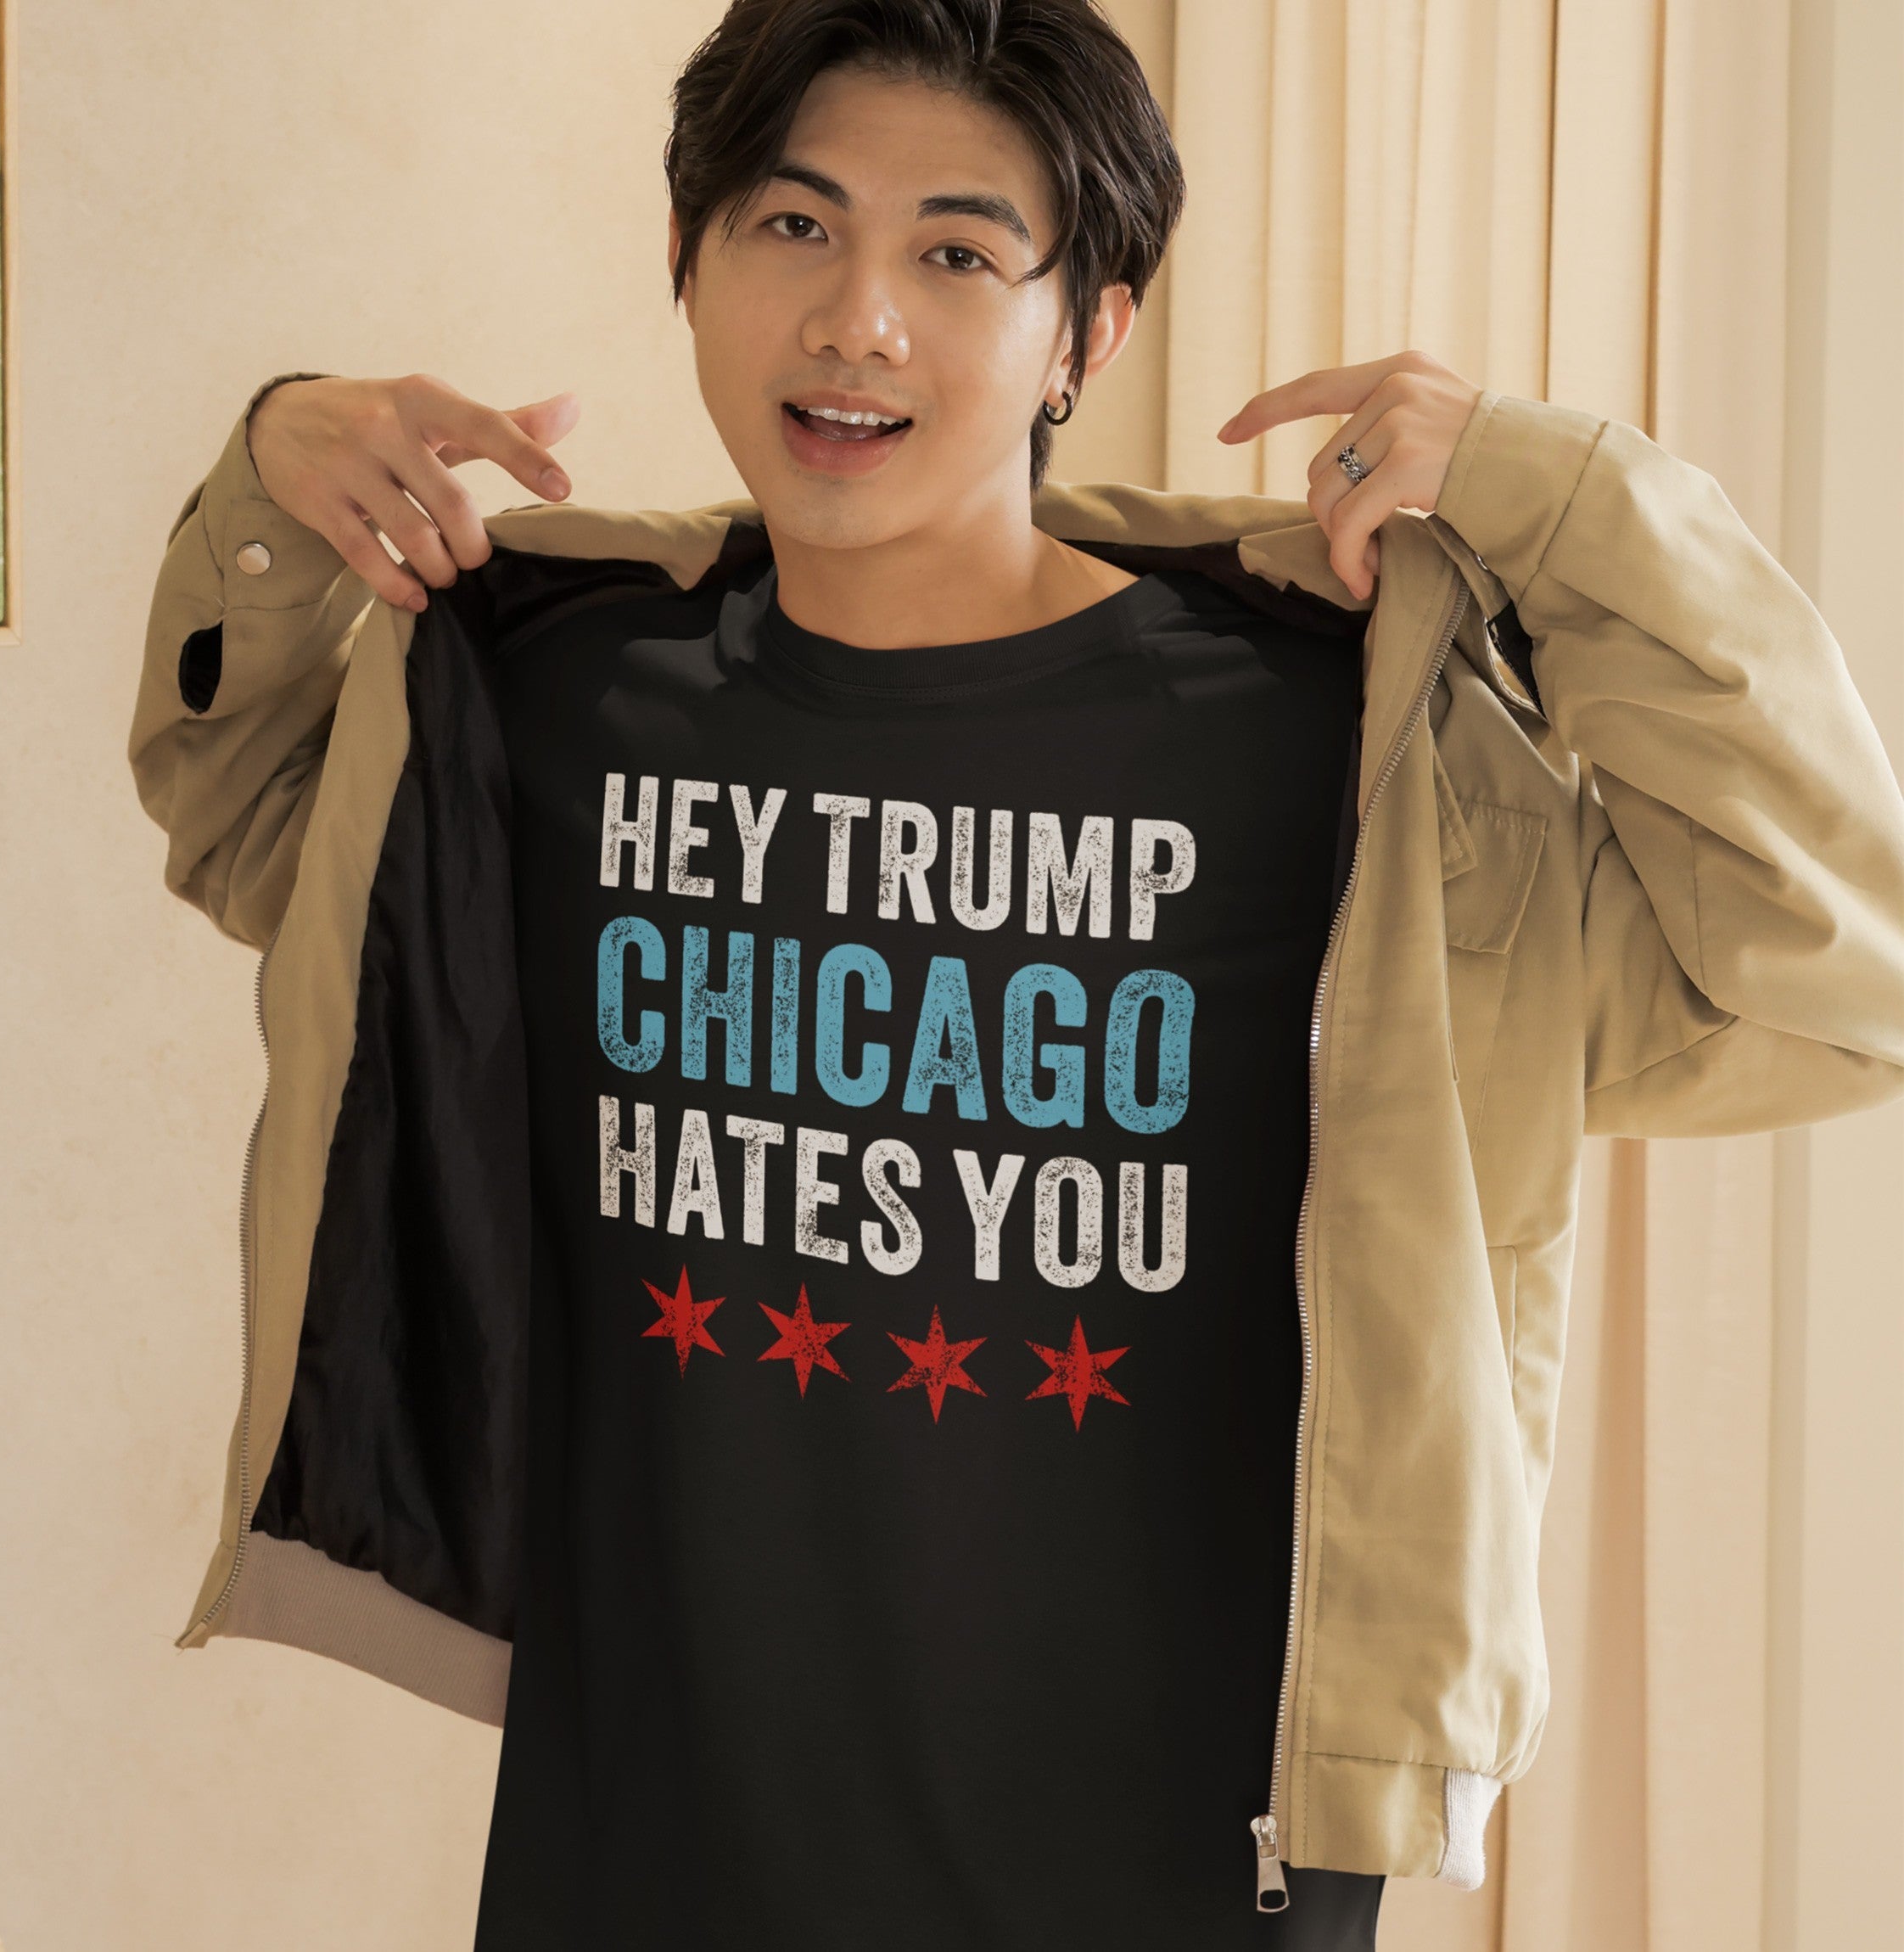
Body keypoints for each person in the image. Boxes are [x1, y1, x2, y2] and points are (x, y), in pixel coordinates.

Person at [127, 2, 1904, 1947]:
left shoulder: (1331, 745)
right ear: (683, 257)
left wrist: (1562, 502)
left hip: (1180, 1865)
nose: (858, 319)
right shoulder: (552, 685)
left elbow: (1832, 969)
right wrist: (271, 468)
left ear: (1094, 331)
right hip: (643, 1846)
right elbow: (246, 829)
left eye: (957, 254)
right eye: (792, 227)